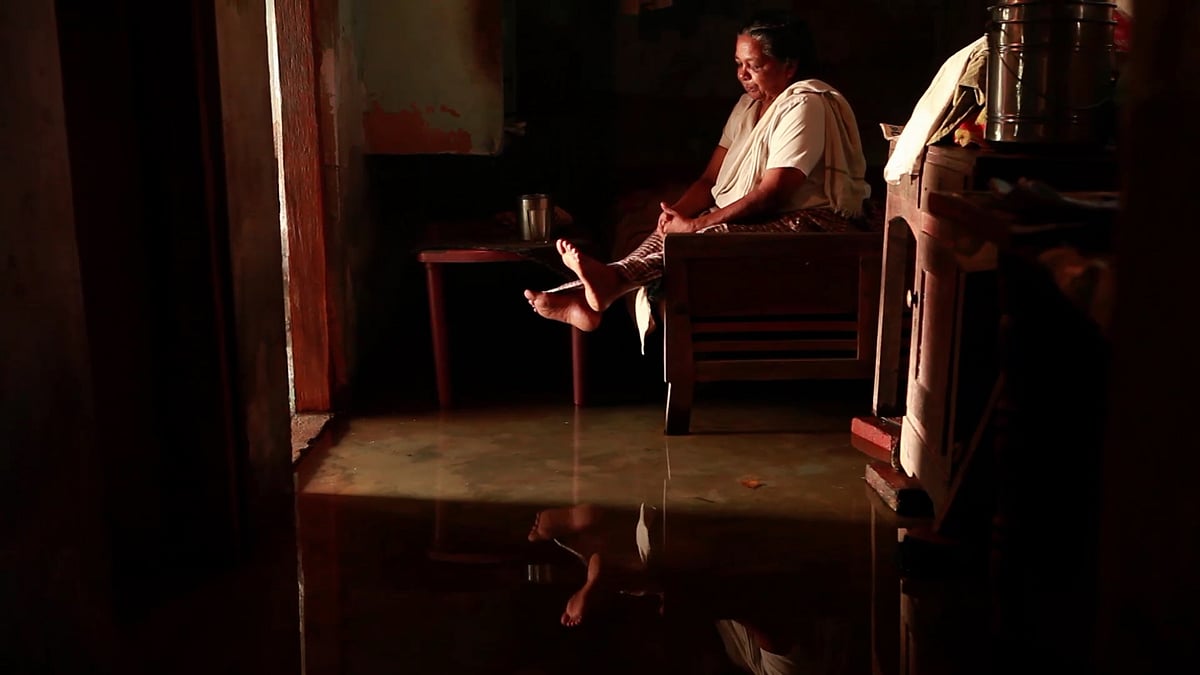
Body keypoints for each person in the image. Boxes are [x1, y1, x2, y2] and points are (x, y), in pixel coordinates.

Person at [523, 11, 870, 345]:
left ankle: (600, 286)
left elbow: (772, 193)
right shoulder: (747, 107)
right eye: (738, 64)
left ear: (789, 66)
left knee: (706, 235)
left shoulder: (805, 104)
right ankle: (596, 295)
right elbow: (708, 181)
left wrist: (695, 225)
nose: (743, 74)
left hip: (809, 223)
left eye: (754, 65)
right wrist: (676, 215)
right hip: (765, 217)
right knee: (665, 233)